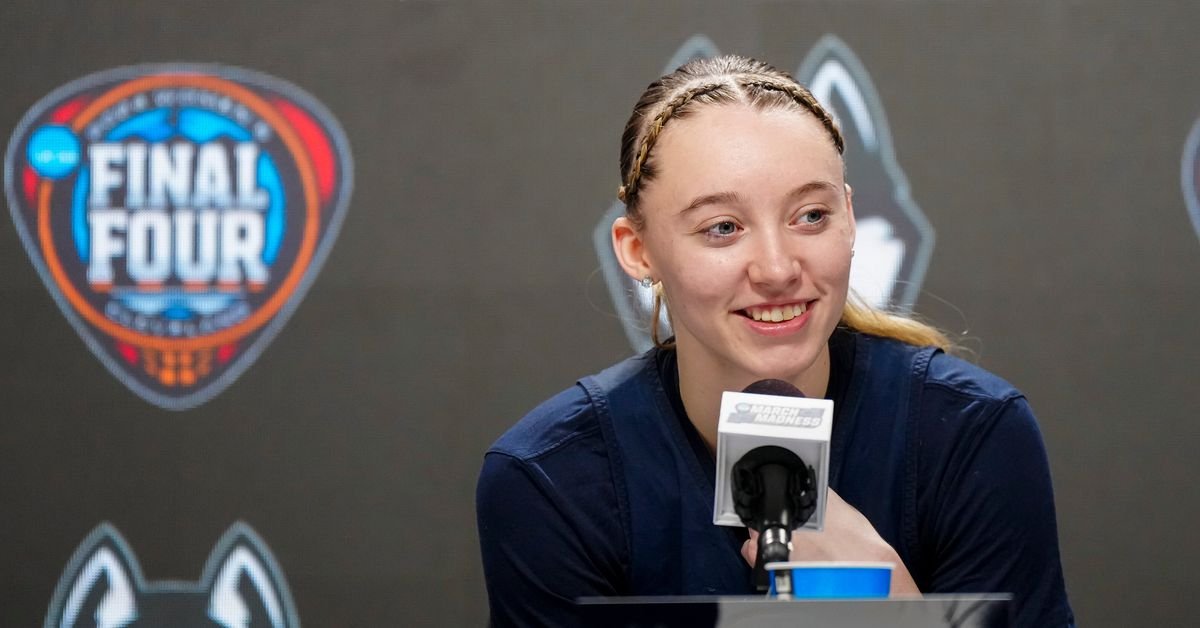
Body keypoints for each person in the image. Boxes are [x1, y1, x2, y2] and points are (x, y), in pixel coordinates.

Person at [476, 55, 1074, 627]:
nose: (777, 268)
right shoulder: (550, 477)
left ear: (849, 216)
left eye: (810, 216)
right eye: (723, 228)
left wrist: (895, 604)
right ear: (639, 250)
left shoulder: (972, 434)